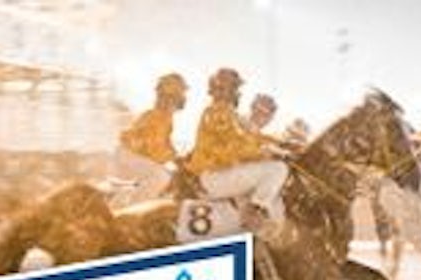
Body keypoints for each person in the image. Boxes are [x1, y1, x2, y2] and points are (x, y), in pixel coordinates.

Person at [185, 68, 288, 223]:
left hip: (217, 174)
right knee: (277, 169)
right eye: (232, 88)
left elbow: (252, 137)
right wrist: (264, 152)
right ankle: (255, 214)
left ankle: (252, 221)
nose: (236, 92)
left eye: (235, 88)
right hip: (214, 176)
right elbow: (236, 147)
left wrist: (281, 144)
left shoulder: (226, 113)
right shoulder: (219, 111)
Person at [106, 73, 188, 207]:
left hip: (131, 156)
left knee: (162, 175)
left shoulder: (165, 118)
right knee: (161, 177)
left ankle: (127, 202)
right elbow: (154, 147)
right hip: (128, 156)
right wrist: (175, 159)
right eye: (166, 96)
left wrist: (176, 156)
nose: (182, 98)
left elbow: (165, 142)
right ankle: (134, 208)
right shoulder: (156, 117)